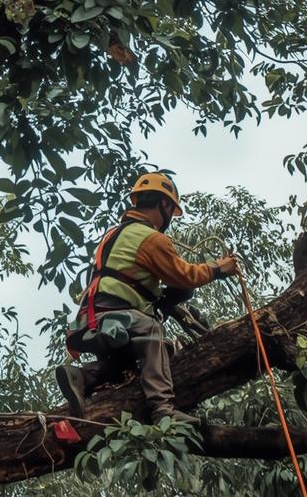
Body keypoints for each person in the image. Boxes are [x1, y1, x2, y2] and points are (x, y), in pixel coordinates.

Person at [55, 172, 239, 425]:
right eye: (171, 210)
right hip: (114, 314)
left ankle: (82, 376)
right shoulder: (151, 238)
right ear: (164, 204)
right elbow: (184, 275)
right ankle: (163, 409)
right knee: (153, 334)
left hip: (92, 317)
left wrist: (162, 299)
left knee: (126, 362)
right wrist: (218, 268)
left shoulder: (115, 234)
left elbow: (130, 279)